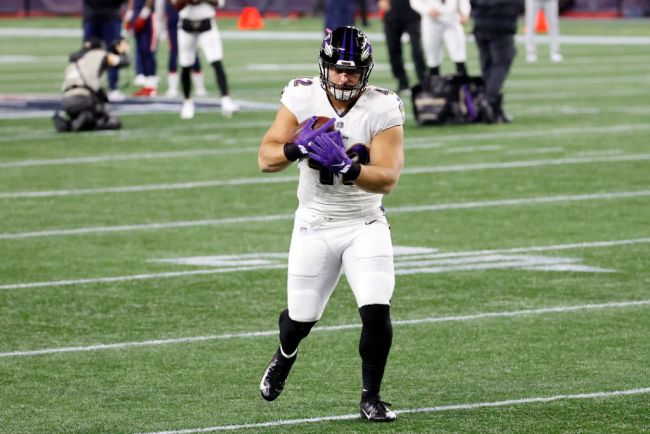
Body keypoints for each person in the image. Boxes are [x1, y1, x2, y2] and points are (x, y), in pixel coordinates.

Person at [257, 26, 405, 422]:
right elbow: (266, 158)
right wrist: (296, 147)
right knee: (300, 318)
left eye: (352, 71)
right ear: (324, 67)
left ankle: (371, 397)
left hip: (364, 222)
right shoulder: (302, 96)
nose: (344, 77)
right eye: (338, 69)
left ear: (365, 72)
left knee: (376, 309)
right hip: (315, 222)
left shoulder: (383, 107)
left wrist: (348, 167)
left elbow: (388, 178)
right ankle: (285, 353)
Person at [172, 0, 239, 119]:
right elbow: (176, 5)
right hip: (186, 25)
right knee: (185, 65)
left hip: (207, 25)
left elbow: (219, 3)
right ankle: (187, 102)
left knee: (216, 61)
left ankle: (226, 100)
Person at [53, 37, 130, 132]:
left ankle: (69, 123)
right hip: (83, 99)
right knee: (112, 121)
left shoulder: (75, 60)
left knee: (93, 99)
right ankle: (85, 120)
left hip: (65, 101)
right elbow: (124, 61)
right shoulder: (100, 55)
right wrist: (122, 50)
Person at [470, 0, 518, 123]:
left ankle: (493, 109)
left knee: (488, 65)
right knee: (500, 65)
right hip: (501, 26)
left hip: (480, 24)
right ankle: (489, 101)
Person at [410, 0, 471, 77]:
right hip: (431, 21)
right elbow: (415, 2)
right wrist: (427, 10)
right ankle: (434, 81)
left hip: (452, 19)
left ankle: (463, 81)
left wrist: (465, 13)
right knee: (432, 57)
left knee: (459, 54)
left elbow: (464, 1)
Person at [82, 0, 127, 102]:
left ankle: (113, 87)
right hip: (92, 14)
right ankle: (88, 87)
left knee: (113, 51)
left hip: (111, 15)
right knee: (88, 53)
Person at [378, 0, 427, 95]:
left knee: (417, 49)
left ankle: (423, 81)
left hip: (413, 11)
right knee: (393, 48)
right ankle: (402, 82)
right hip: (392, 11)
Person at [163, 0, 207, 97]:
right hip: (174, 14)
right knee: (174, 51)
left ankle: (199, 86)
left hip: (188, 14)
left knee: (192, 50)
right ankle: (172, 87)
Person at [124, 0, 159, 96]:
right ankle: (146, 86)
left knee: (148, 51)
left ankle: (152, 86)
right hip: (137, 13)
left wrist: (144, 14)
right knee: (140, 51)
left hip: (148, 18)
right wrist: (129, 15)